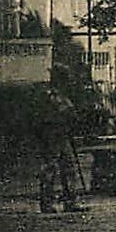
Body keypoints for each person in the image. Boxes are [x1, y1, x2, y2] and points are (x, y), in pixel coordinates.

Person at [37, 66, 81, 214]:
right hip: (52, 135)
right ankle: (47, 202)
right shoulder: (51, 95)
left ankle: (70, 201)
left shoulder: (61, 95)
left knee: (69, 167)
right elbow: (59, 113)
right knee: (50, 168)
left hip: (62, 134)